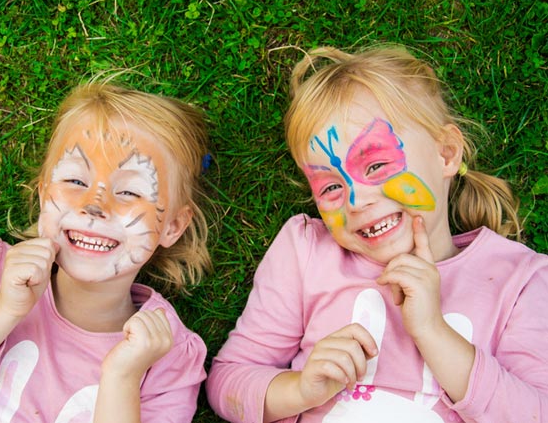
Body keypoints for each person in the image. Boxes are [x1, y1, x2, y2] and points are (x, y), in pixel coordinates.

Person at [206, 46, 548, 422]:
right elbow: (228, 382)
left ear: (447, 154)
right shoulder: (306, 253)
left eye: (377, 165)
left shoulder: (519, 279)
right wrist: (300, 389)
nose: (356, 200)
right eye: (330, 187)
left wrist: (433, 332)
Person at [0, 79, 212, 422]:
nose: (95, 205)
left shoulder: (166, 355)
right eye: (76, 181)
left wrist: (122, 378)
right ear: (43, 192)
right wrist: (1, 313)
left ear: (173, 226)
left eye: (129, 192)